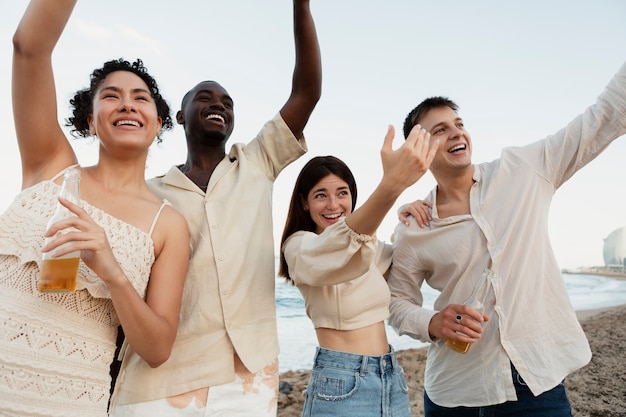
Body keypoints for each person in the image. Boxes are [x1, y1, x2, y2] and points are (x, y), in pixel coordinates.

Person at [108, 1, 322, 415]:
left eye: (227, 101)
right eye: (204, 98)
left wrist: (301, 6)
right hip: (163, 374)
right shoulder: (147, 192)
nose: (219, 104)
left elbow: (307, 92)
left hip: (247, 375)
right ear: (181, 117)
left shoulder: (257, 162)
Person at [387, 60, 626, 417]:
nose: (456, 133)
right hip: (456, 390)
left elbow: (604, 115)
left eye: (459, 124)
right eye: (440, 130)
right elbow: (395, 301)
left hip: (535, 382)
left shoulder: (524, 169)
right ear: (417, 148)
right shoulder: (413, 227)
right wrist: (432, 322)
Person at [0, 1, 190, 416]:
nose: (127, 104)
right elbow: (28, 47)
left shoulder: (168, 225)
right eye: (111, 96)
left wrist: (111, 270)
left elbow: (157, 347)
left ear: (158, 124)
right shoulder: (49, 166)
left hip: (69, 399)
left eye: (141, 98)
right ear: (90, 120)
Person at [278, 124, 437, 417]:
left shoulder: (368, 248)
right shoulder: (300, 247)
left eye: (342, 193)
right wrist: (391, 185)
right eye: (320, 195)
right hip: (341, 384)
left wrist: (408, 218)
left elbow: (408, 260)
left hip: (391, 378)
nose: (334, 204)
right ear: (304, 202)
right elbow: (342, 245)